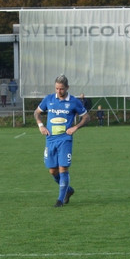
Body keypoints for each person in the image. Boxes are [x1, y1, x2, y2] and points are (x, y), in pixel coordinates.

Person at [35, 74, 89, 207]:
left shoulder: (74, 101)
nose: (59, 91)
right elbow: (37, 113)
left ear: (67, 88)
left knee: (63, 168)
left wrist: (75, 127)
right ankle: (68, 190)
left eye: (62, 89)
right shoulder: (49, 99)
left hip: (65, 140)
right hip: (50, 139)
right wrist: (41, 125)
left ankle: (60, 200)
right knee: (52, 171)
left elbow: (86, 117)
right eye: (57, 89)